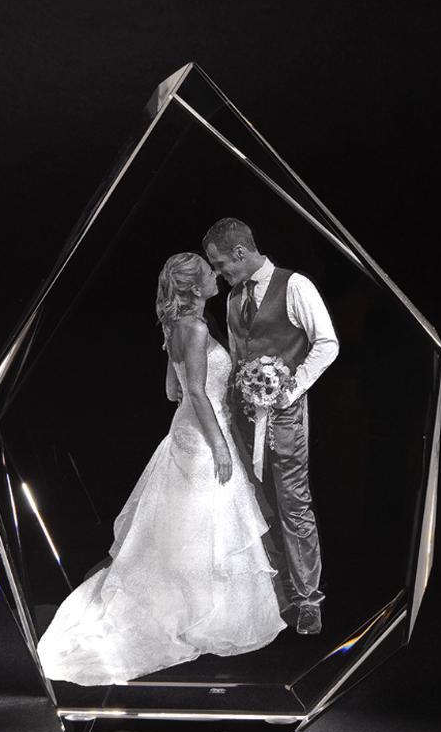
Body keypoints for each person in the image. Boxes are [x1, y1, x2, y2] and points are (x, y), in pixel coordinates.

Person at [36, 252, 286, 686]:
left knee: (185, 528)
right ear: (194, 286)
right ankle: (201, 615)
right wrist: (220, 444)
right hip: (204, 437)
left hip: (185, 432)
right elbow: (194, 392)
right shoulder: (196, 328)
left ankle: (192, 605)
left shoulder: (176, 326)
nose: (215, 276)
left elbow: (172, 390)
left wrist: (205, 395)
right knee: (205, 524)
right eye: (209, 273)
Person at [203, 218, 339, 635]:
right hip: (244, 420)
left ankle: (309, 599)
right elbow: (237, 358)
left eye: (221, 264)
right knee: (256, 505)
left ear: (240, 252)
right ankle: (275, 595)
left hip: (285, 416)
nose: (219, 274)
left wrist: (290, 388)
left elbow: (327, 343)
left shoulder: (295, 286)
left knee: (294, 505)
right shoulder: (232, 299)